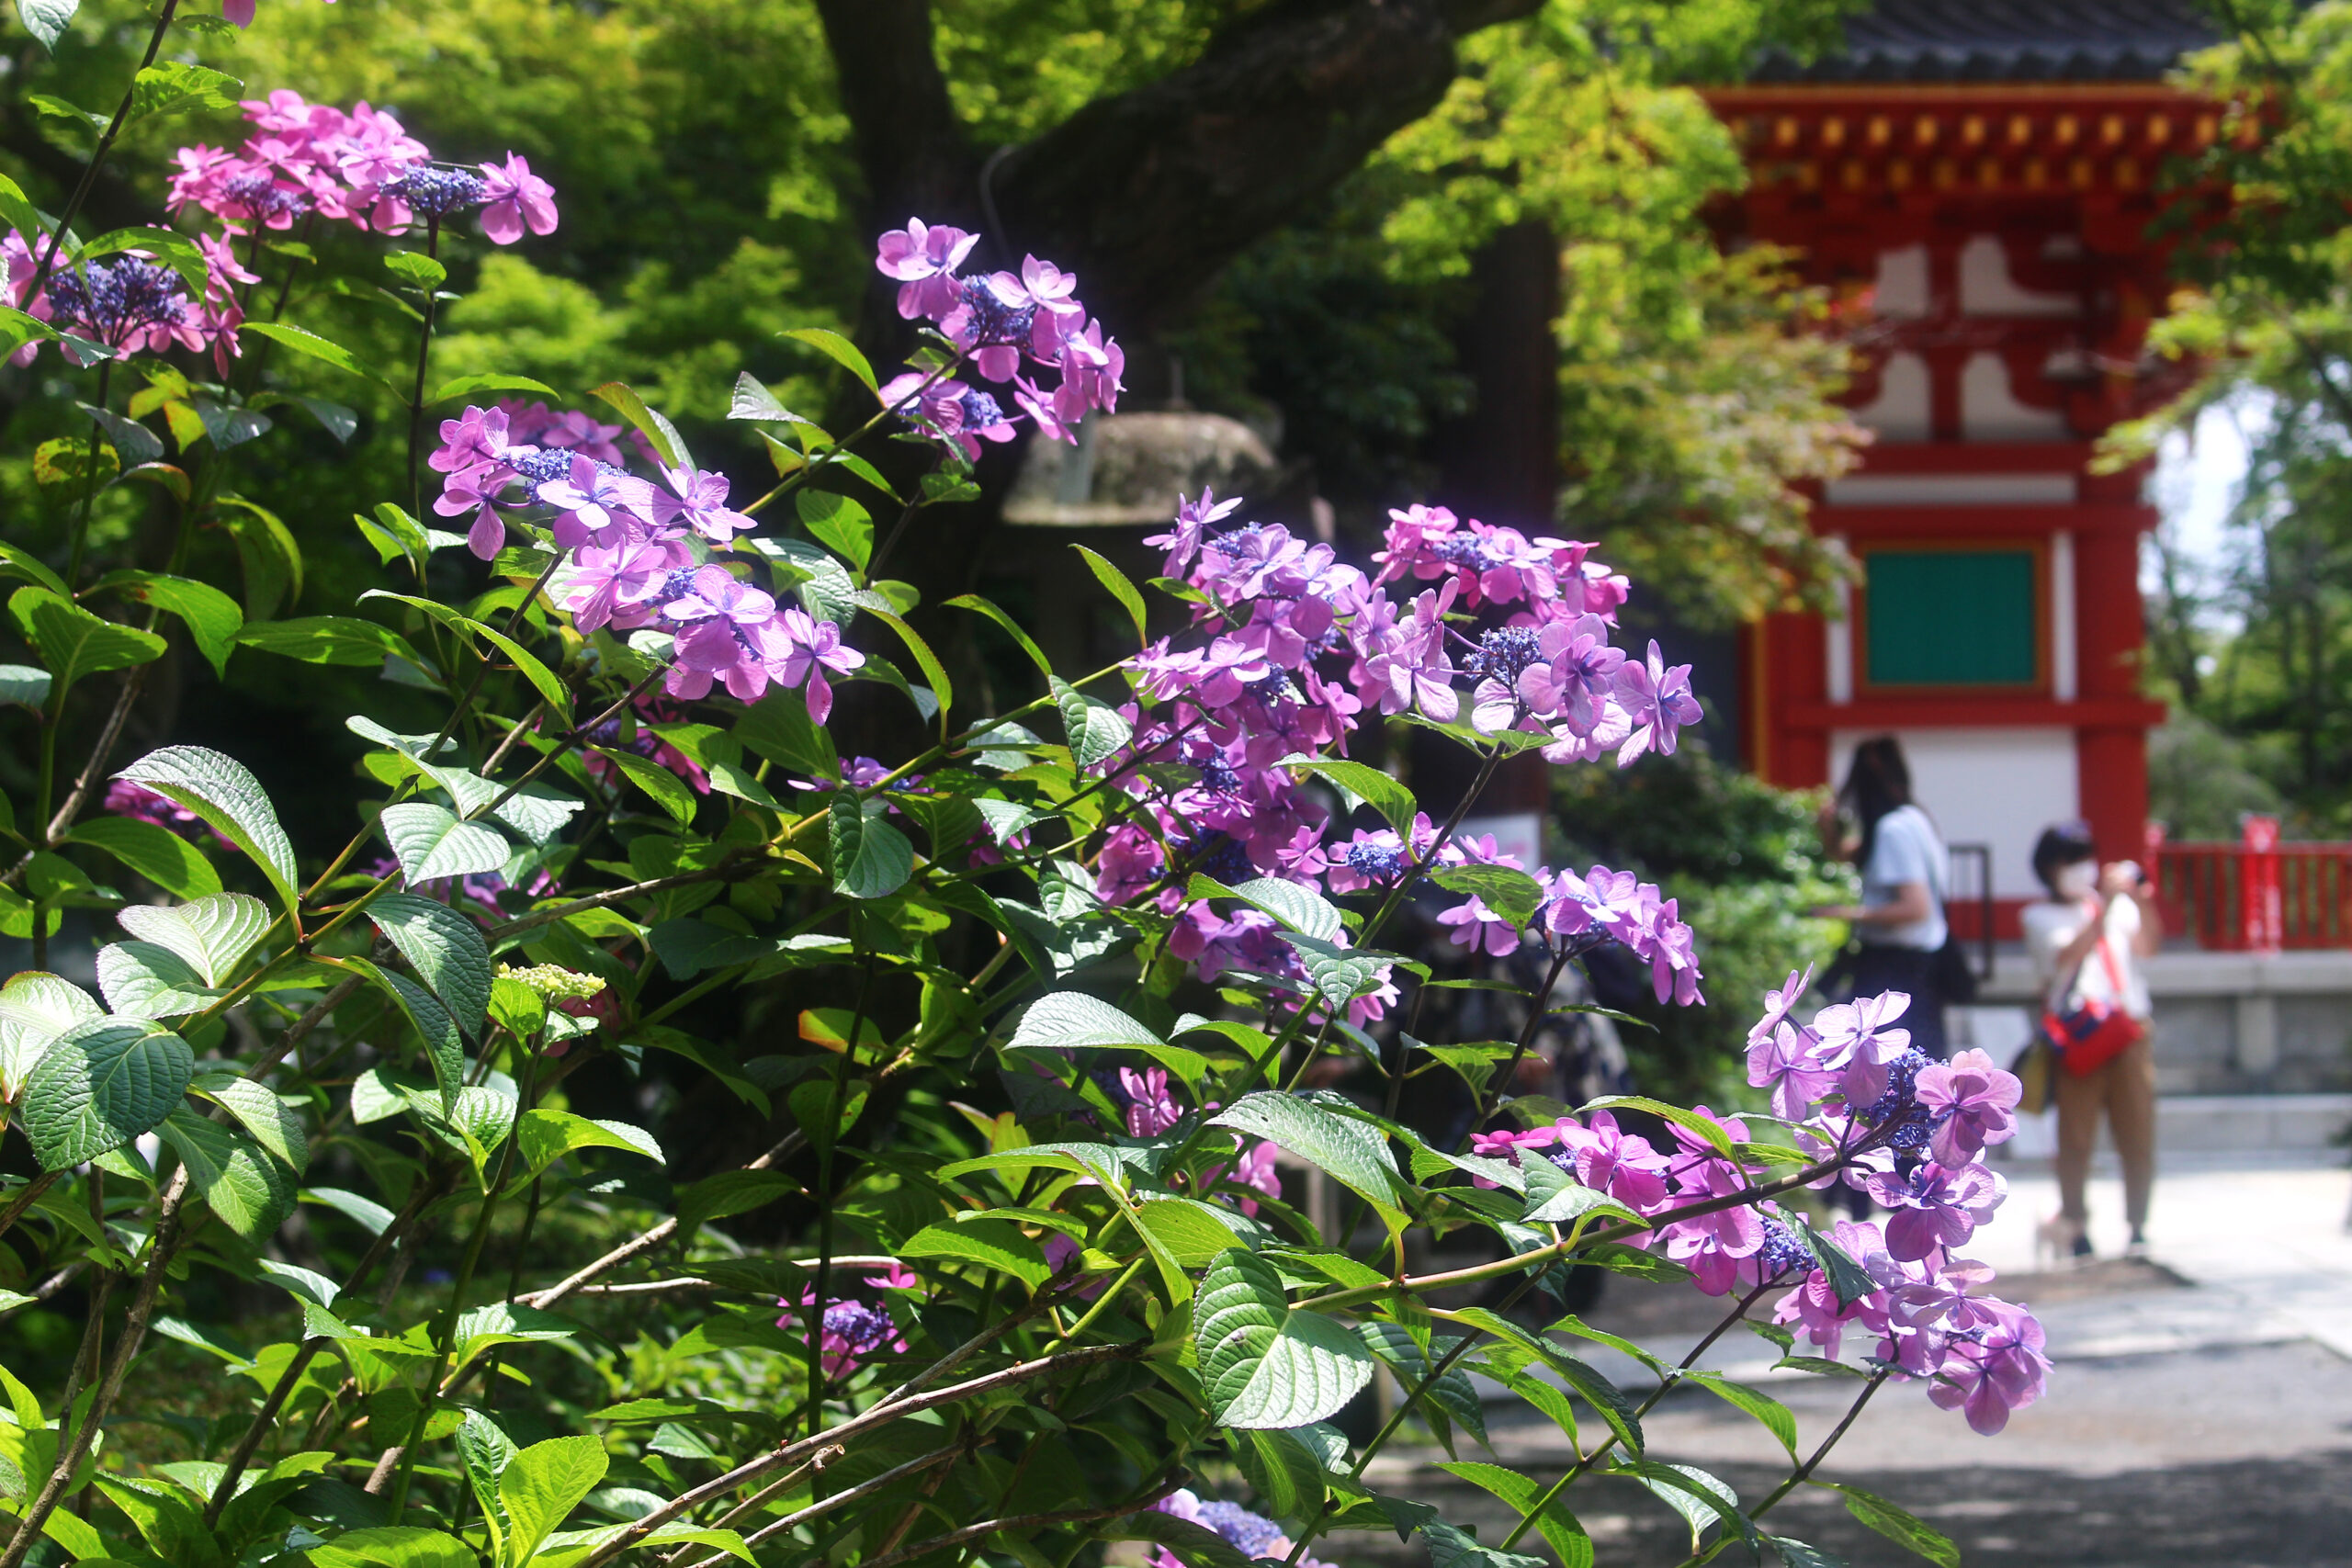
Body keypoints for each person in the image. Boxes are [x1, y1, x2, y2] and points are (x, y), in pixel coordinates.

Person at [2021, 822, 2162, 1259]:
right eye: (2070, 861)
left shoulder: (2116, 906)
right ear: (2049, 869)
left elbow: (2149, 946)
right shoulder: (2038, 915)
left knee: (2138, 1132)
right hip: (2080, 1036)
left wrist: (2137, 897)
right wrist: (2107, 907)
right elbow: (2066, 954)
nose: (2082, 869)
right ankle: (2075, 1222)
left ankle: (2138, 1224)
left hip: (2129, 1029)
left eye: (2085, 857)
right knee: (2076, 1136)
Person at [1814, 736, 1951, 1059]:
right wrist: (1828, 831)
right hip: (1920, 967)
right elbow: (1851, 854)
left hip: (1896, 969)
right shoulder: (1915, 818)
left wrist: (1847, 914)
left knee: (1884, 1069)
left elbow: (1915, 907)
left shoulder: (1893, 830)